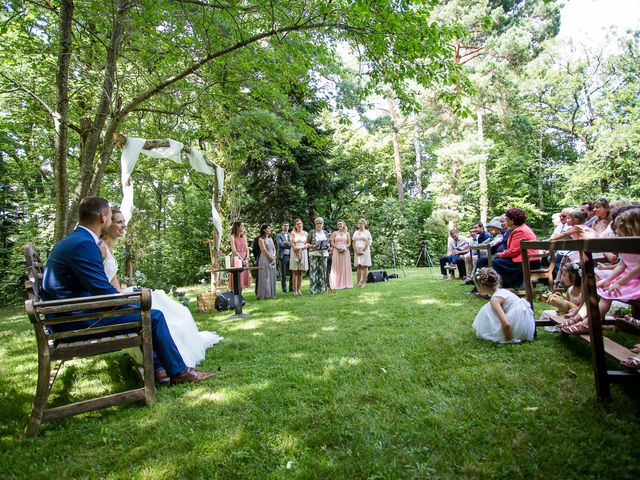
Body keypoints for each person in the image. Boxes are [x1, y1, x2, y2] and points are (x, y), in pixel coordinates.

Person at [41, 197, 215, 384]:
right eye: (110, 217)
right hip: (75, 321)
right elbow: (103, 292)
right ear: (103, 217)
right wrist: (133, 304)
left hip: (67, 314)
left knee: (147, 312)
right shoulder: (84, 244)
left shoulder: (75, 240)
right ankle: (179, 372)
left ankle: (159, 369)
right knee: (154, 317)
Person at [101, 208, 222, 369]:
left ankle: (172, 353)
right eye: (118, 222)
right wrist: (123, 292)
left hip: (118, 294)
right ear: (107, 223)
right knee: (159, 308)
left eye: (124, 221)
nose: (123, 225)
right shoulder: (101, 246)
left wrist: (124, 288)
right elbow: (104, 281)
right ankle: (167, 363)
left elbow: (112, 278)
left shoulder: (109, 246)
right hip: (113, 300)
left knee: (171, 306)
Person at [560, 208, 640, 335]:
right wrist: (608, 280)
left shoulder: (637, 244)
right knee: (605, 293)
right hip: (628, 278)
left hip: (635, 280)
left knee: (609, 292)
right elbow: (621, 266)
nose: (617, 233)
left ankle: (587, 323)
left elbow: (637, 268)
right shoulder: (626, 245)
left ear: (631, 228)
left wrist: (619, 282)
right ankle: (586, 321)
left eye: (620, 230)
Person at [471, 268, 535, 343]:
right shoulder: (504, 291)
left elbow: (506, 324)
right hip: (527, 326)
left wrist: (510, 341)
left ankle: (508, 335)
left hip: (517, 329)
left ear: (481, 285)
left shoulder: (495, 299)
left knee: (486, 309)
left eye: (477, 286)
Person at [491, 208, 539, 289]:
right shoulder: (520, 228)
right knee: (497, 261)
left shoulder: (520, 231)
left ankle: (509, 285)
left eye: (507, 219)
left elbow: (513, 251)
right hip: (526, 260)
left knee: (496, 262)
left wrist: (500, 254)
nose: (505, 221)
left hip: (528, 262)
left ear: (512, 221)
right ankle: (509, 285)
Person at [307, 217, 330, 294]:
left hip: (324, 254)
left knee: (323, 271)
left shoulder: (326, 233)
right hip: (314, 253)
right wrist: (313, 246)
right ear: (315, 224)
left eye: (320, 223)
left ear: (323, 224)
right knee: (313, 271)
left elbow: (328, 243)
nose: (319, 224)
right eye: (317, 223)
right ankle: (313, 290)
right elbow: (307, 243)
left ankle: (322, 289)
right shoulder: (312, 232)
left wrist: (328, 246)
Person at [329, 219, 353, 290]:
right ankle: (336, 283)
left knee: (344, 266)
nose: (339, 225)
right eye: (338, 224)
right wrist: (337, 248)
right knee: (337, 266)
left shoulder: (347, 233)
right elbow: (332, 242)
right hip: (336, 251)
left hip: (345, 251)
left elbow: (349, 243)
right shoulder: (334, 233)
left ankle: (346, 283)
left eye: (341, 224)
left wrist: (344, 248)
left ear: (343, 225)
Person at [256, 223, 276, 299]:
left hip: (272, 259)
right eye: (268, 228)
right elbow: (264, 250)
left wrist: (274, 257)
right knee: (265, 276)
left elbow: (274, 248)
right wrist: (271, 258)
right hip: (265, 259)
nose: (269, 229)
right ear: (264, 230)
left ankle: (271, 294)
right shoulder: (261, 239)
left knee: (272, 275)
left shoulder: (271, 239)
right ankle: (265, 294)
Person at [289, 219, 309, 295]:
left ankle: (299, 289)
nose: (299, 225)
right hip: (295, 252)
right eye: (297, 224)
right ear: (295, 225)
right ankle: (295, 290)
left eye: (300, 223)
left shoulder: (305, 233)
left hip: (303, 252)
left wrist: (302, 249)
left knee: (301, 272)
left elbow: (307, 244)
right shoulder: (293, 233)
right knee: (295, 272)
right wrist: (297, 251)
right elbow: (292, 244)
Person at [230, 222, 251, 289]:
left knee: (243, 280)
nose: (243, 227)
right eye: (242, 226)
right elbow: (234, 250)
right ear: (237, 227)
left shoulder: (244, 237)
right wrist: (241, 260)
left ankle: (240, 297)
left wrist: (247, 259)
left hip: (245, 259)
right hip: (237, 259)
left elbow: (247, 249)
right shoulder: (232, 237)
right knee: (238, 279)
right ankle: (236, 296)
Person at [352, 218, 372, 288]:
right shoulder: (355, 232)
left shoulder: (367, 232)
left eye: (361, 223)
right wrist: (355, 250)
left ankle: (364, 282)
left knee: (365, 265)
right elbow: (353, 242)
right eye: (359, 223)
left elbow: (368, 242)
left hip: (365, 251)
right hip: (357, 251)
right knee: (359, 266)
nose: (360, 225)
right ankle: (358, 283)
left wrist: (362, 250)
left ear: (364, 224)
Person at [276, 222, 293, 293]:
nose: (286, 227)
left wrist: (286, 243)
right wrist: (289, 244)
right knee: (283, 273)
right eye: (284, 226)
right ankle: (284, 289)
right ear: (282, 227)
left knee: (292, 272)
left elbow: (293, 244)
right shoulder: (279, 235)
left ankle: (291, 288)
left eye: (287, 226)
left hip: (291, 255)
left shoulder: (291, 235)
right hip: (282, 256)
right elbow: (280, 245)